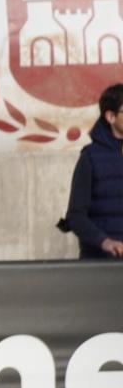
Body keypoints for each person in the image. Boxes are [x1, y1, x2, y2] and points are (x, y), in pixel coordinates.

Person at [62, 84, 123, 259]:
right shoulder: (90, 158)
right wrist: (105, 242)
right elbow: (75, 217)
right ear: (110, 116)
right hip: (101, 263)